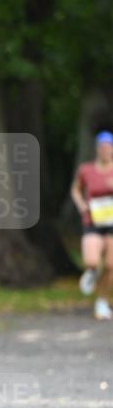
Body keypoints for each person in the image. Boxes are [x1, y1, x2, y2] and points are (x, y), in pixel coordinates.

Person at [70, 129, 113, 320]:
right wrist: (81, 205)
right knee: (92, 261)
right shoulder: (86, 169)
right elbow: (76, 190)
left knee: (111, 265)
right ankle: (92, 272)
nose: (105, 151)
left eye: (108, 148)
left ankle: (102, 302)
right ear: (97, 149)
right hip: (93, 220)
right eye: (102, 148)